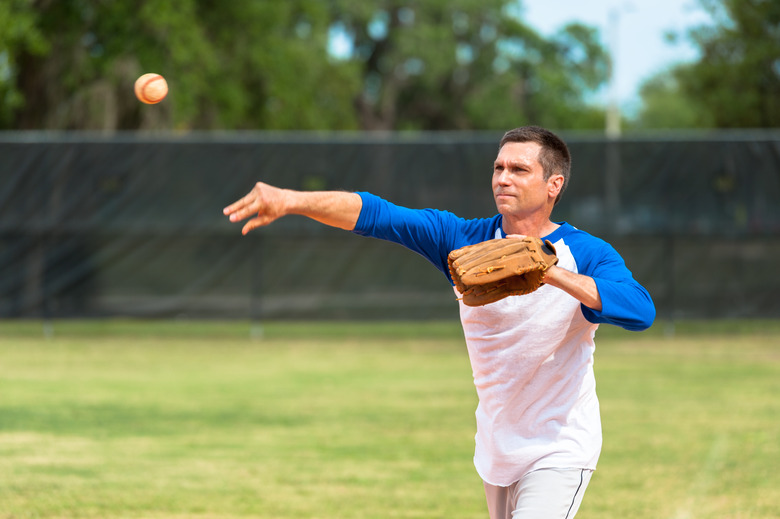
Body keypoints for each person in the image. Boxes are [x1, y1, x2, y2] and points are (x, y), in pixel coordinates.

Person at [223, 126, 655, 519]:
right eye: (499, 167)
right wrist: (293, 200)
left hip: (560, 445)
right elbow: (377, 214)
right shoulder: (462, 240)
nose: (503, 178)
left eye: (520, 169)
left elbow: (640, 310)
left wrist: (550, 271)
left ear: (553, 184)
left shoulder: (588, 253)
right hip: (497, 445)